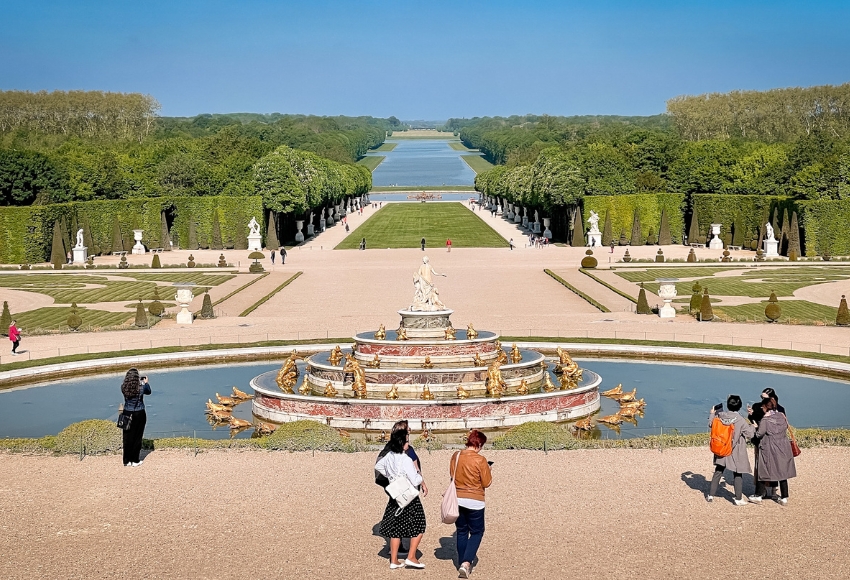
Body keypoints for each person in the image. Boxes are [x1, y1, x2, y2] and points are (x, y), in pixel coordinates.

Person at [374, 429, 427, 569]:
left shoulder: (389, 456)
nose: (408, 444)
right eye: (407, 441)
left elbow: (378, 466)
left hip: (394, 494)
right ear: (401, 442)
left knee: (395, 528)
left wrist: (392, 478)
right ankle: (411, 556)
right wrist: (420, 476)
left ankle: (394, 560)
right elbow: (415, 480)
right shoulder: (406, 459)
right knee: (420, 525)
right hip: (407, 496)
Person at [451, 429, 492, 578]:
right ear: (479, 444)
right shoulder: (480, 460)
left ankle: (461, 561)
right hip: (475, 499)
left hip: (458, 497)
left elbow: (452, 476)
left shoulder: (456, 456)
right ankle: (466, 563)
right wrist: (489, 470)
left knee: (461, 531)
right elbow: (486, 482)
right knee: (477, 532)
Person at [706, 395, 754, 505]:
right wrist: (753, 425)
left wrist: (712, 413)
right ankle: (738, 499)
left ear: (727, 405)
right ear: (740, 406)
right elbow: (750, 434)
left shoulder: (720, 415)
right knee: (737, 474)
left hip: (722, 447)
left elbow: (711, 424)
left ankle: (710, 495)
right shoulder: (741, 420)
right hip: (735, 450)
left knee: (718, 471)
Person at [754, 397, 796, 505]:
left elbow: (759, 434)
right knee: (782, 473)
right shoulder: (782, 416)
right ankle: (784, 497)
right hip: (783, 446)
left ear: (765, 407)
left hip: (770, 448)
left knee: (764, 470)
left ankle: (759, 495)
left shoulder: (765, 420)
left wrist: (755, 427)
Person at [747, 388, 786, 502]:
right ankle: (772, 491)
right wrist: (751, 415)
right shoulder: (780, 409)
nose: (762, 400)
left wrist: (753, 418)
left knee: (762, 466)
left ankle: (761, 493)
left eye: (764, 397)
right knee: (773, 465)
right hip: (776, 442)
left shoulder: (766, 409)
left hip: (764, 440)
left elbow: (756, 425)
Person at [120, 368, 151, 467]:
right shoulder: (141, 388)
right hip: (139, 412)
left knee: (127, 437)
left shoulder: (123, 387)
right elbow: (148, 391)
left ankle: (126, 460)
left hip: (127, 412)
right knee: (137, 437)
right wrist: (145, 383)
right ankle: (135, 460)